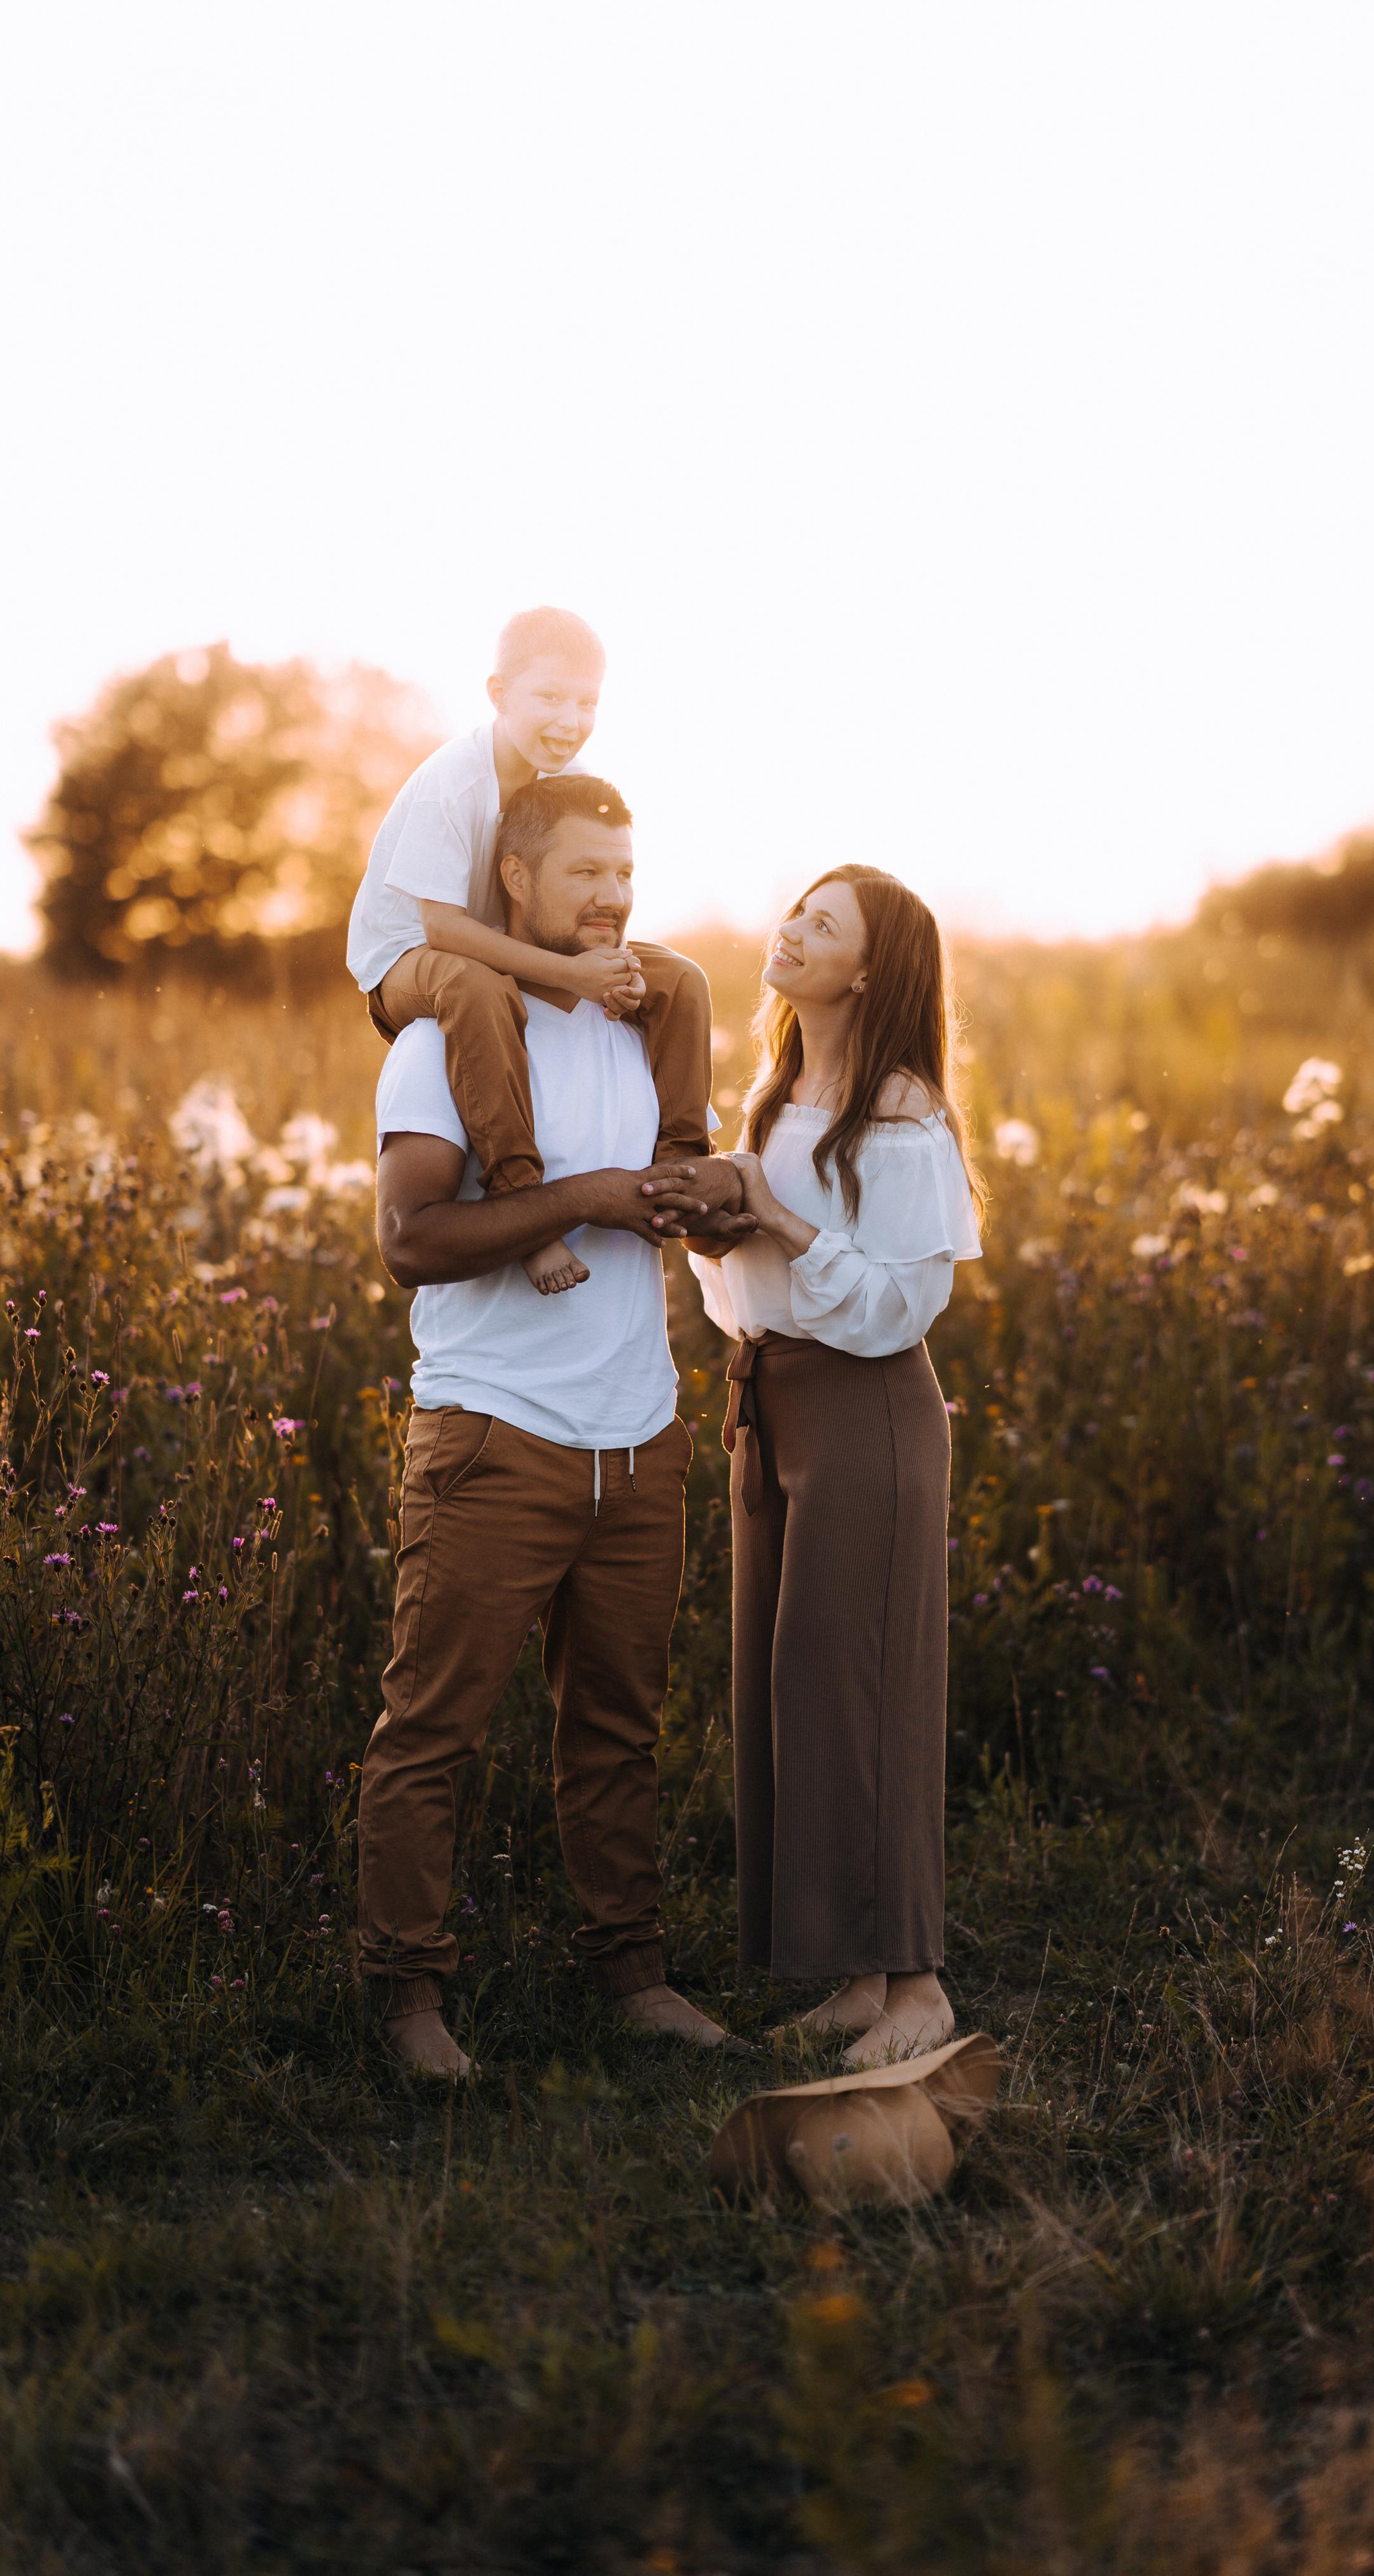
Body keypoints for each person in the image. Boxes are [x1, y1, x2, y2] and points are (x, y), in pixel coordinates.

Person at [358, 769, 753, 2079]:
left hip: (639, 1436)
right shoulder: (442, 1039)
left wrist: (711, 1196)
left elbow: (675, 1205)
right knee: (434, 1729)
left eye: (624, 874)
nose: (612, 897)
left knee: (618, 1728)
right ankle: (409, 1998)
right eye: (585, 872)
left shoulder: (640, 1025)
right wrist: (582, 1196)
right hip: (492, 1439)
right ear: (514, 881)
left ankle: (629, 1975)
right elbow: (413, 1242)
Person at [687, 867, 984, 2069]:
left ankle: (918, 1987)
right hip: (774, 1401)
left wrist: (774, 1216)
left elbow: (903, 1299)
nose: (791, 930)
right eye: (794, 912)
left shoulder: (903, 1110)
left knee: (866, 1691)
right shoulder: (775, 1089)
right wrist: (718, 1224)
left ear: (866, 971)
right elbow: (754, 1271)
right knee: (799, 1689)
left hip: (868, 1407)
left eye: (823, 926)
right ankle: (858, 1980)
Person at [345, 606, 712, 1296]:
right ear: (498, 695)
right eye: (549, 697)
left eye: (586, 702)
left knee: (679, 978)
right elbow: (444, 929)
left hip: (503, 948)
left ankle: (683, 1162)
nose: (569, 720)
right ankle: (522, 1197)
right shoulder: (453, 781)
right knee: (474, 990)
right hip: (406, 958)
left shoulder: (569, 775)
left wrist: (618, 971)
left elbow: (590, 893)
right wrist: (573, 972)